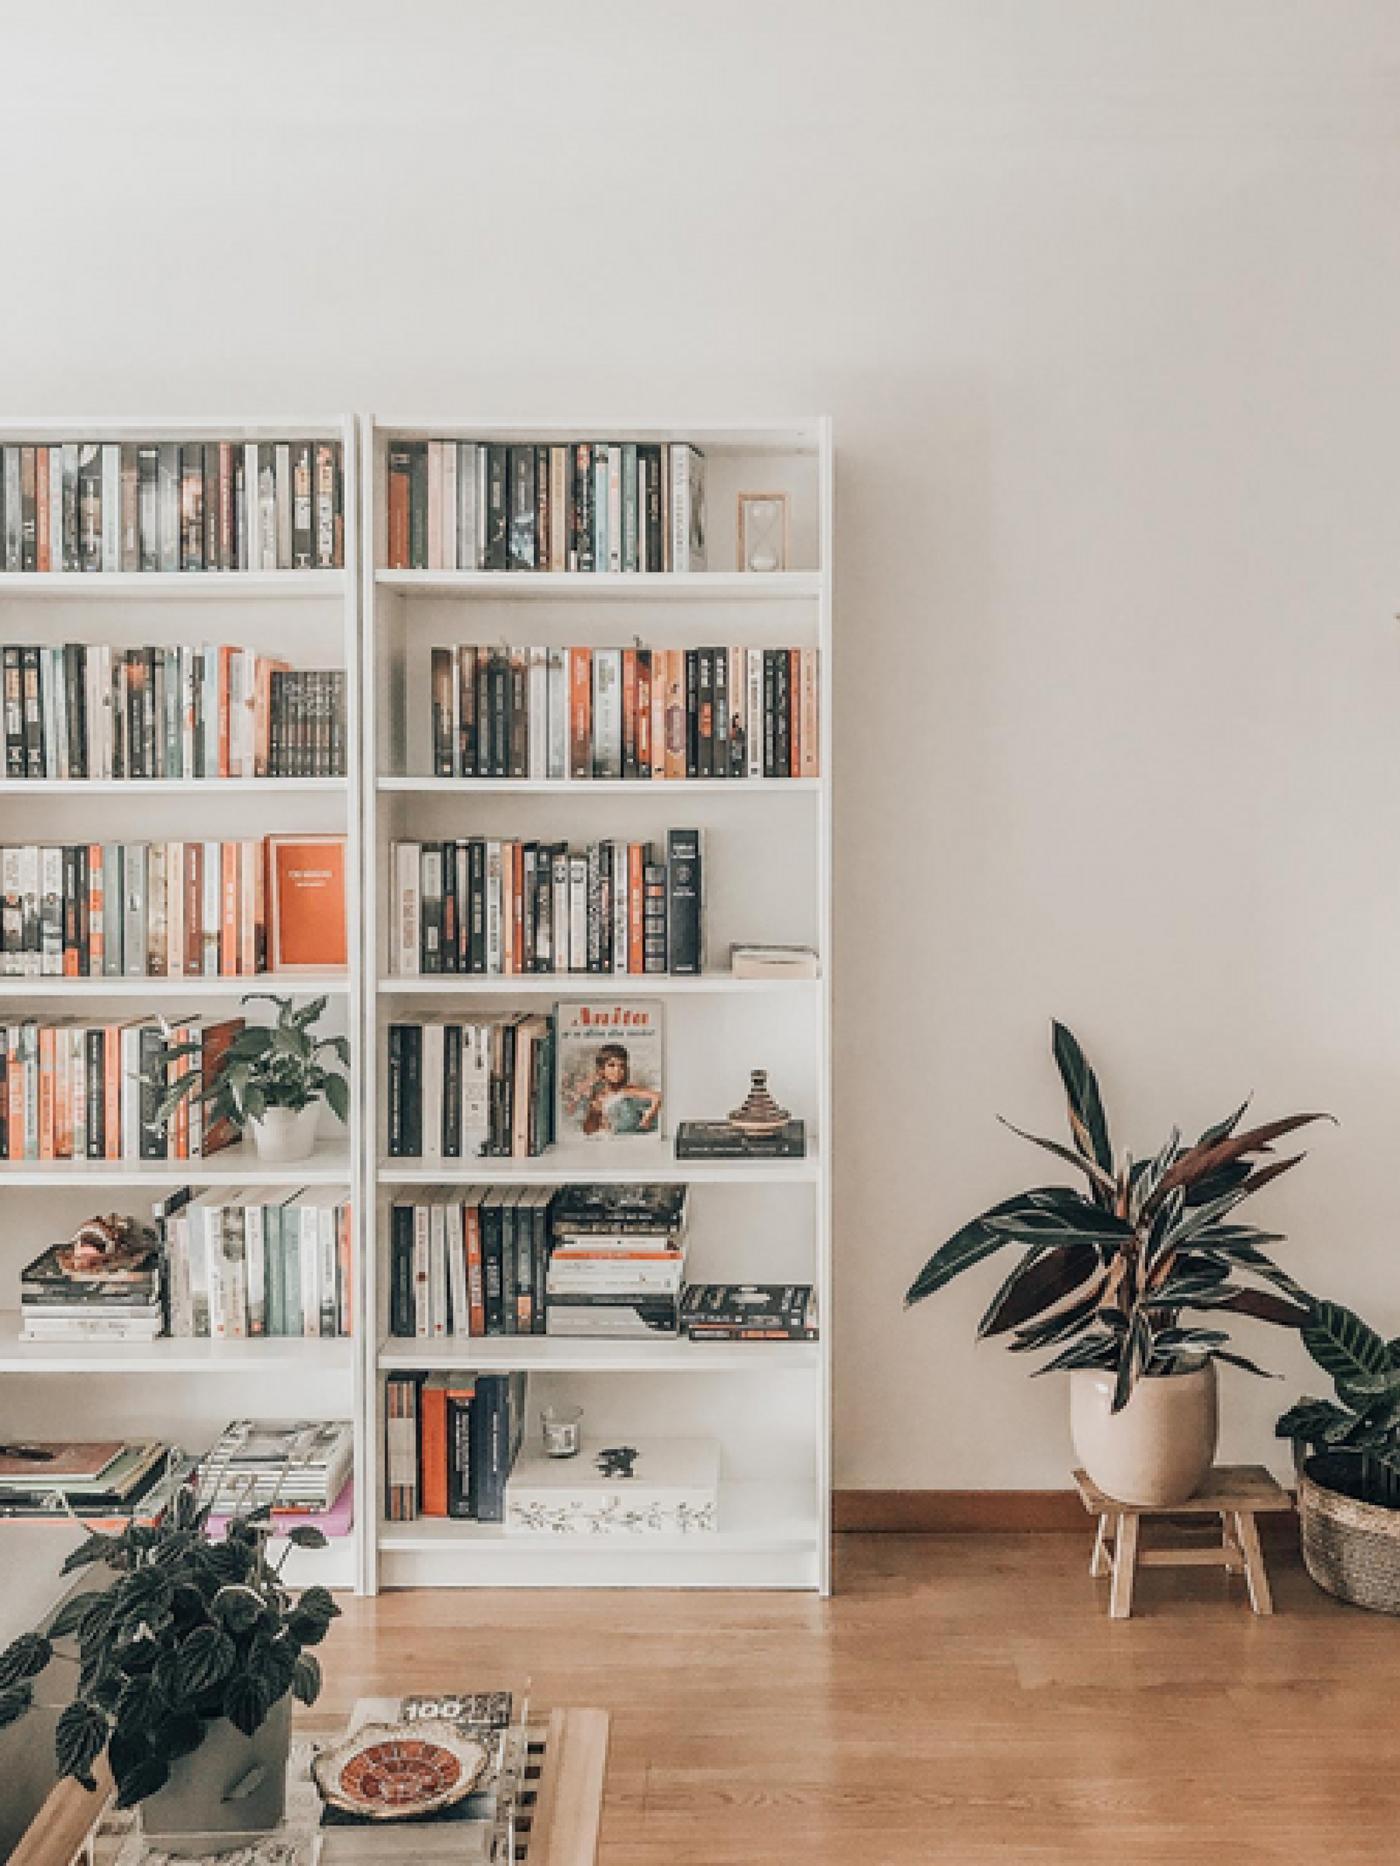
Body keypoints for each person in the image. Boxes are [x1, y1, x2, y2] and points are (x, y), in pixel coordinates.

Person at [568, 1041, 662, 1137]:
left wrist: (648, 1116)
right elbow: (588, 1131)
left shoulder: (627, 1090)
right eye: (611, 1065)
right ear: (602, 1069)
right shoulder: (597, 1095)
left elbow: (658, 1096)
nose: (617, 1071)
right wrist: (594, 1113)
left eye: (621, 1066)